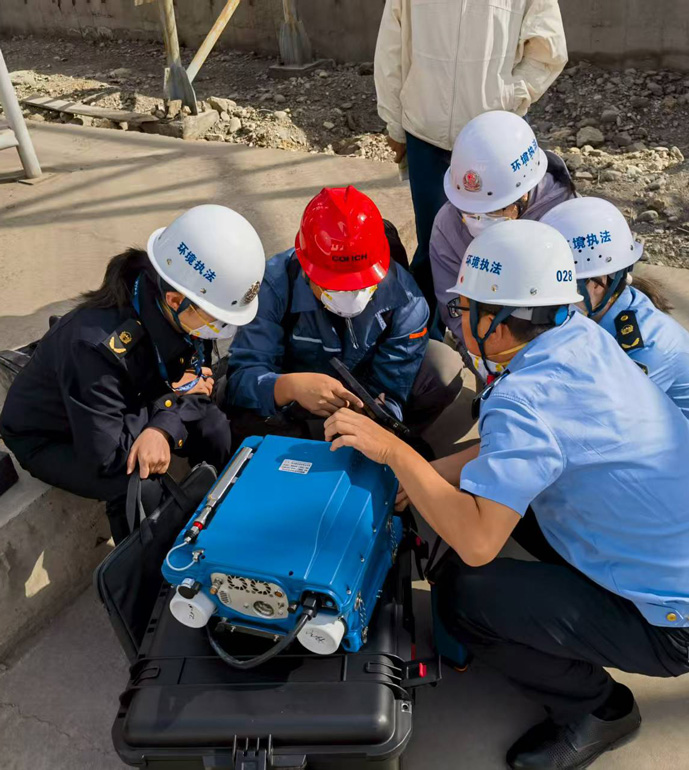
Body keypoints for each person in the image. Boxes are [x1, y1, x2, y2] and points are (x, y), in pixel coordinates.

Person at [323, 220, 689, 770]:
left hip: (673, 623)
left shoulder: (525, 398)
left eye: (464, 307)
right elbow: (526, 446)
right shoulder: (581, 338)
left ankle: (599, 709)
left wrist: (396, 454)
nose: (458, 318)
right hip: (667, 552)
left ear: (494, 321)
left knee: (464, 595)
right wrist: (431, 476)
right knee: (480, 506)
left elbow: (477, 543)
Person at [0, 205, 266, 544]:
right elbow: (108, 456)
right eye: (216, 319)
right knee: (139, 482)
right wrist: (166, 416)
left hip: (135, 402)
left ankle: (223, 519)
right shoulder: (93, 347)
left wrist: (166, 417)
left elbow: (193, 384)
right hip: (58, 435)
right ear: (175, 300)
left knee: (214, 427)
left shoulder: (174, 300)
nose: (220, 330)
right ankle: (156, 570)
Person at [374, 0, 567, 323]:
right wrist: (394, 121)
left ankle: (504, 328)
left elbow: (548, 48)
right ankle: (426, 335)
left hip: (495, 144)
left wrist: (510, 95)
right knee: (435, 243)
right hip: (427, 135)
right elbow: (391, 46)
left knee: (504, 241)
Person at [224, 186, 463, 446]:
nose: (350, 296)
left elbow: (395, 385)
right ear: (306, 269)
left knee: (443, 367)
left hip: (364, 395)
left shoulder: (405, 299)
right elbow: (242, 378)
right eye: (334, 286)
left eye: (362, 285)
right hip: (293, 402)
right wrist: (289, 387)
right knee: (230, 397)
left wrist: (380, 423)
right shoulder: (273, 287)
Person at [431, 110, 576, 341]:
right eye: (469, 210)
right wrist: (482, 352)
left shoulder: (564, 218)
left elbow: (579, 304)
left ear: (524, 194)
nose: (479, 220)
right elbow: (455, 308)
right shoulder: (447, 226)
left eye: (495, 210)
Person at [542, 196, 689, 419]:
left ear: (598, 283)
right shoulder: (600, 314)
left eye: (562, 285)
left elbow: (604, 420)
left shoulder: (646, 348)